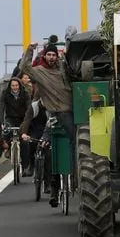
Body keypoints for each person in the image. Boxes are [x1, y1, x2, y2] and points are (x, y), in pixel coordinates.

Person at [20, 42, 74, 207]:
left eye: (54, 55)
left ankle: (78, 176)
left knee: (76, 144)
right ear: (44, 56)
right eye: (49, 54)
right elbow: (24, 66)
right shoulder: (40, 72)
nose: (52, 57)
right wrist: (29, 49)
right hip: (56, 115)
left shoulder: (63, 69)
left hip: (71, 112)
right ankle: (54, 189)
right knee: (52, 152)